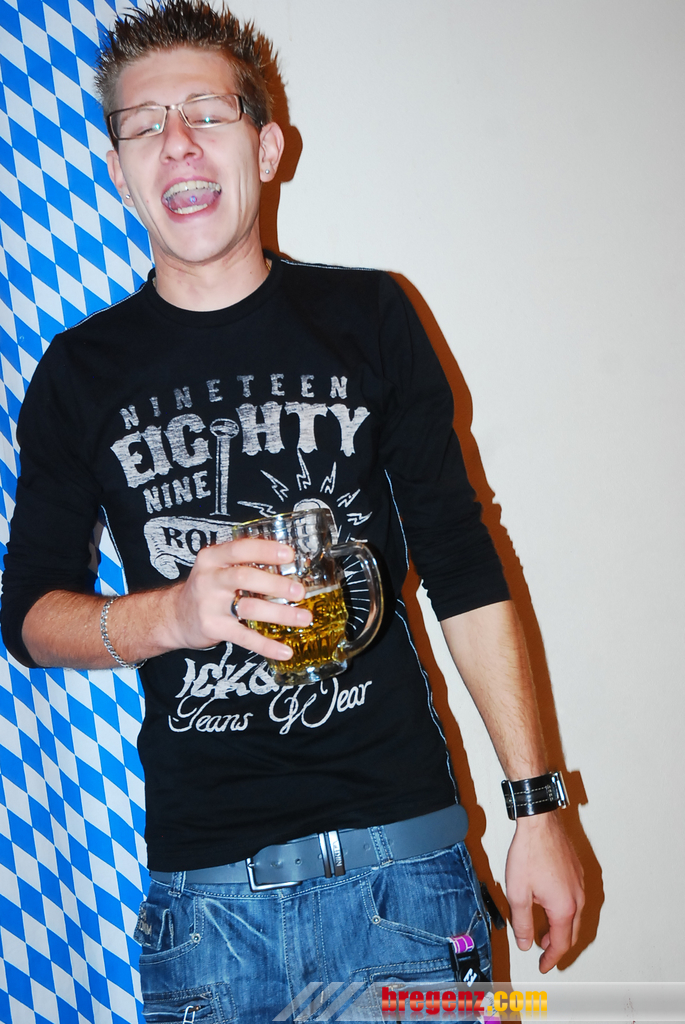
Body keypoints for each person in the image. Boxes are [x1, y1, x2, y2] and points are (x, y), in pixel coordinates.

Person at [1, 1, 584, 1018]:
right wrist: (172, 615)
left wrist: (538, 809)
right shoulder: (76, 373)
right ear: (119, 171)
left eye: (205, 113)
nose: (176, 142)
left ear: (267, 147)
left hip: (408, 884)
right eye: (143, 125)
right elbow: (27, 617)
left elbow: (462, 560)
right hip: (205, 913)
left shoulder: (371, 314)